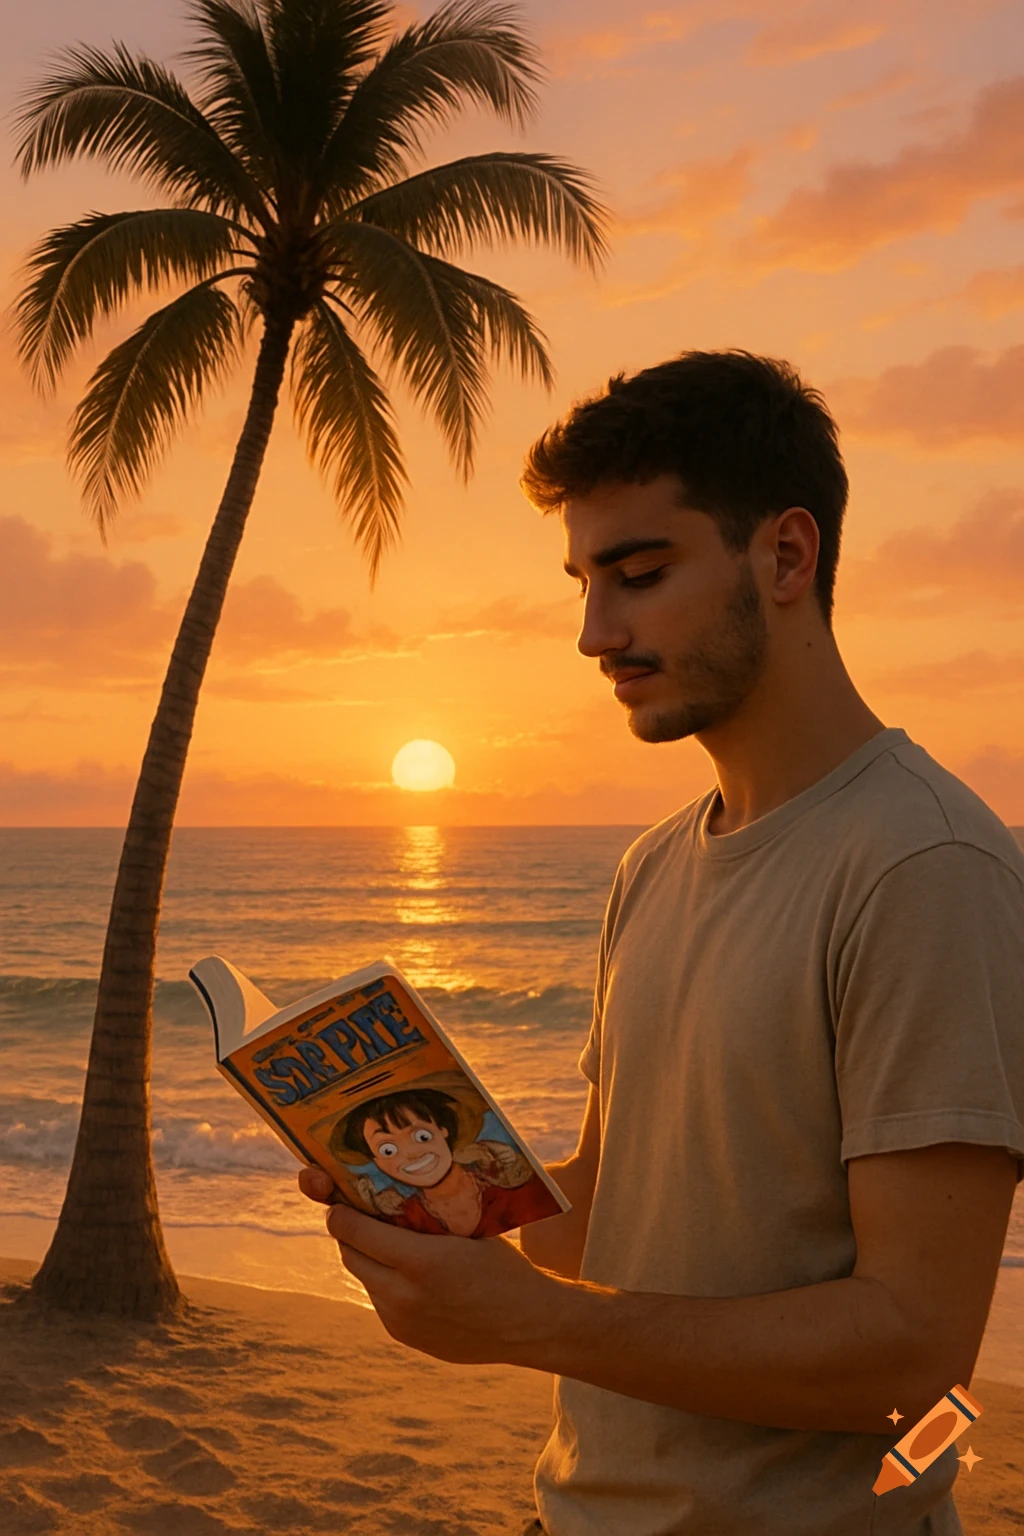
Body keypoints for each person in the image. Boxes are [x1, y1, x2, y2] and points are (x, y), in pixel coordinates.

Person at [300, 350, 1024, 1536]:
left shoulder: (921, 865)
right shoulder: (654, 863)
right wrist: (442, 1205)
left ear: (785, 556)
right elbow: (610, 1218)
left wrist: (528, 1323)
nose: (595, 631)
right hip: (575, 1511)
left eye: (638, 574)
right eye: (583, 583)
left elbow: (911, 1351)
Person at [336, 1086, 556, 1238]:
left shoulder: (512, 1191)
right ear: (378, 1163)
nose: (412, 1154)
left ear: (443, 1131)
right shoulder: (404, 1221)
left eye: (421, 1136)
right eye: (388, 1149)